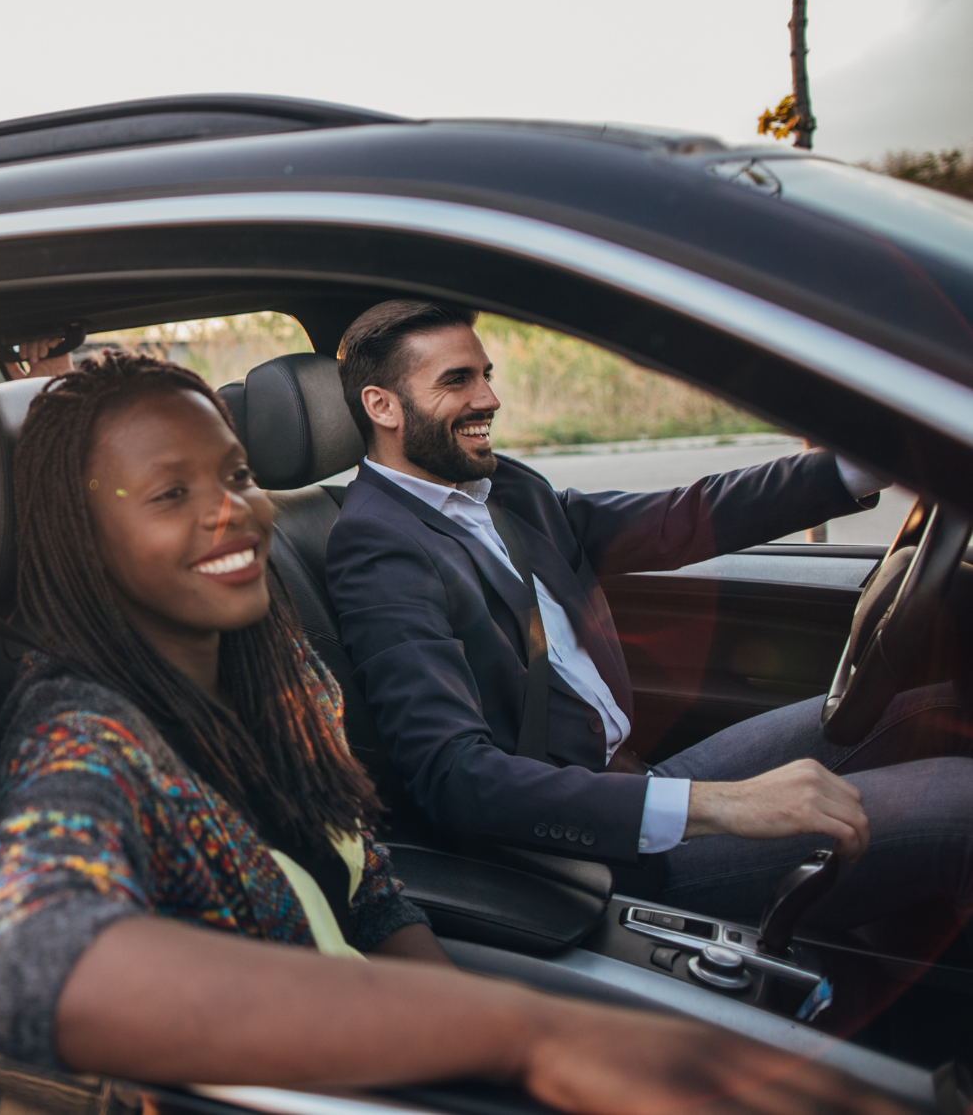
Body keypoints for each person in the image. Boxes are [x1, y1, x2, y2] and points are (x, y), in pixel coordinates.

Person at [0, 350, 901, 1113]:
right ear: (81, 537)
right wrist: (528, 1036)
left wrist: (472, 1030)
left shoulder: (271, 668)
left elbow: (367, 891)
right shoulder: (84, 738)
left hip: (389, 1055)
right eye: (170, 495)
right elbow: (33, 962)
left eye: (236, 475)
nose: (230, 511)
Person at [326, 298, 973, 928]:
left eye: (486, 375)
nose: (489, 398)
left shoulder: (502, 488)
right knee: (963, 809)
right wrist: (722, 806)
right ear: (382, 406)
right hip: (589, 855)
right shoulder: (377, 545)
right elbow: (453, 777)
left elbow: (677, 519)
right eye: (457, 380)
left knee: (934, 709)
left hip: (639, 780)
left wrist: (859, 469)